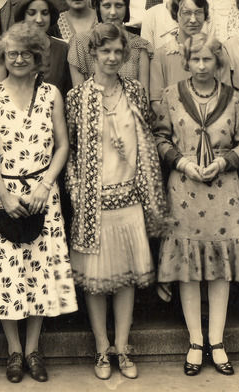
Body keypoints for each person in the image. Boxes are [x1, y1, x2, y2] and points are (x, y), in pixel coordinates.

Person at [154, 32, 239, 378]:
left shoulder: (235, 99)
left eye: (208, 59)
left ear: (219, 62)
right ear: (185, 61)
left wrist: (223, 162)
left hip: (224, 188)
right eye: (195, 59)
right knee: (188, 267)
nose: (201, 66)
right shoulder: (171, 95)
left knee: (220, 265)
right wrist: (182, 162)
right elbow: (159, 137)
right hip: (184, 187)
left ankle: (216, 342)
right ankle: (194, 339)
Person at [65, 23, 169, 381]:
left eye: (117, 52)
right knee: (96, 280)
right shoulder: (77, 96)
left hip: (129, 198)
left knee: (123, 278)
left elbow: (145, 142)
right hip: (93, 200)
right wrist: (77, 193)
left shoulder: (136, 92)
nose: (111, 57)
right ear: (92, 54)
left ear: (125, 56)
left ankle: (123, 347)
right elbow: (72, 150)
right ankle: (101, 349)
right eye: (104, 51)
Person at [0, 22, 77, 383]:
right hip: (4, 196)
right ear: (2, 57)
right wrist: (4, 196)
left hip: (43, 195)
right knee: (6, 273)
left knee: (39, 272)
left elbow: (63, 145)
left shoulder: (52, 93)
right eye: (12, 54)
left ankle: (34, 349)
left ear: (39, 57)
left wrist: (45, 185)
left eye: (26, 53)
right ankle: (13, 352)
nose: (19, 59)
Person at [149, 0, 230, 115]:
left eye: (198, 12)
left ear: (205, 15)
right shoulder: (161, 56)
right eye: (187, 13)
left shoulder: (218, 51)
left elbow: (225, 96)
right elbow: (157, 103)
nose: (193, 20)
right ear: (176, 14)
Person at [67, 0, 151, 91]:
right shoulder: (80, 43)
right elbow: (78, 96)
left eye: (118, 5)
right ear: (98, 7)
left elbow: (143, 97)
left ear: (126, 7)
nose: (113, 12)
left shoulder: (140, 46)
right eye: (107, 5)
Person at [13, 0, 72, 97]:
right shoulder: (12, 48)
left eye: (45, 13)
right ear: (23, 16)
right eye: (32, 13)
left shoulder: (62, 48)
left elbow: (67, 92)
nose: (39, 19)